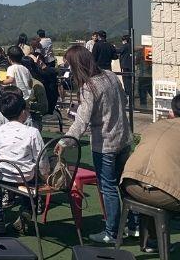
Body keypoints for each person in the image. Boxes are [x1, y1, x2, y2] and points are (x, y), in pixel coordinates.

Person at [60, 45, 132, 244]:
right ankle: (133, 225)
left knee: (108, 188)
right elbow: (124, 101)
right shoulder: (111, 75)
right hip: (124, 138)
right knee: (124, 185)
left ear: (77, 65)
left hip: (105, 144)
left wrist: (65, 141)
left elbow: (81, 121)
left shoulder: (88, 87)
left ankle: (112, 232)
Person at [121, 94, 180, 253]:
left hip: (130, 184)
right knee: (163, 188)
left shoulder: (155, 125)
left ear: (172, 111)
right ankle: (153, 241)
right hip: (161, 193)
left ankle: (151, 242)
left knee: (154, 184)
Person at [0, 91, 50, 235]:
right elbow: (41, 159)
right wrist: (46, 176)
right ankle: (26, 211)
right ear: (23, 112)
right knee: (32, 183)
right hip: (24, 176)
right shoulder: (32, 132)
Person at [119, 34, 133, 100]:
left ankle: (127, 93)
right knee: (129, 80)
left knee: (126, 80)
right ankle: (130, 93)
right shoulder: (131, 46)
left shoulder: (125, 46)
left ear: (125, 40)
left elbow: (119, 51)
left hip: (125, 65)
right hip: (130, 65)